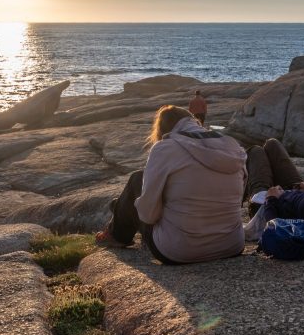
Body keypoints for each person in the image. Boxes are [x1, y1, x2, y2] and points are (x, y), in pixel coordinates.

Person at [95, 105, 247, 264]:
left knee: (137, 179)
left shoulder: (164, 148)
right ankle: (119, 209)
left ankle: (117, 235)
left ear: (162, 128)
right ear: (194, 122)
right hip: (232, 245)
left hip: (180, 250)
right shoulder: (232, 147)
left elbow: (148, 216)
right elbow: (238, 198)